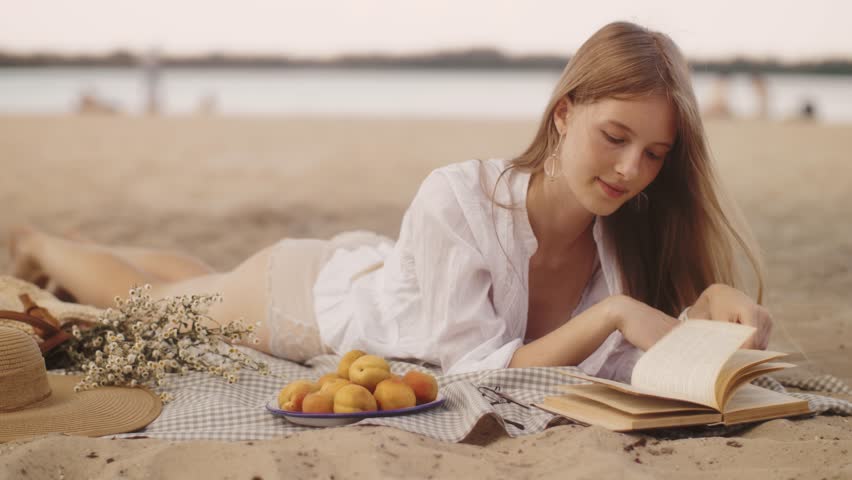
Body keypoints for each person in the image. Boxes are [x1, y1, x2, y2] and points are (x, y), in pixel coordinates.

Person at [6, 21, 773, 383]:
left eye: (655, 154)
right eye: (614, 136)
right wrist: (609, 317)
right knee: (154, 299)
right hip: (305, 301)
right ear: (565, 111)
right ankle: (42, 245)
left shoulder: (632, 238)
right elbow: (475, 371)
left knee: (198, 273)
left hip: (379, 274)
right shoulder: (458, 196)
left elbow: (651, 353)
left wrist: (708, 304)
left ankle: (58, 245)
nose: (631, 169)